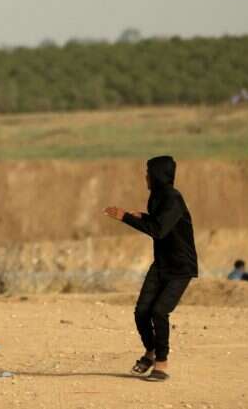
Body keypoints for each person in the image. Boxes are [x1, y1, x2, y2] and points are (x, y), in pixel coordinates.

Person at [105, 155, 197, 382]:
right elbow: (158, 223)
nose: (145, 176)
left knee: (159, 311)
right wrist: (142, 216)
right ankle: (150, 351)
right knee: (141, 312)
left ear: (157, 174)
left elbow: (159, 230)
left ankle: (162, 364)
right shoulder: (157, 197)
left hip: (180, 267)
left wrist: (126, 217)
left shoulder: (173, 198)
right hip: (162, 264)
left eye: (148, 172)